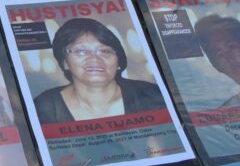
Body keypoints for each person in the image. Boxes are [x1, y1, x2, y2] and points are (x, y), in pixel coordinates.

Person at [34, 18, 165, 123]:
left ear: (119, 61)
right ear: (64, 62)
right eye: (81, 51)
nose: (94, 58)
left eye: (104, 51)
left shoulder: (153, 95)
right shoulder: (44, 107)